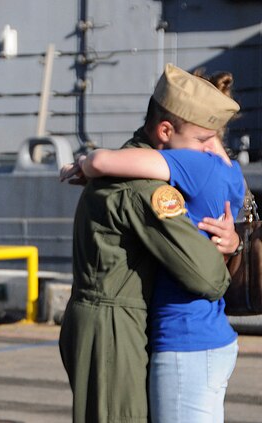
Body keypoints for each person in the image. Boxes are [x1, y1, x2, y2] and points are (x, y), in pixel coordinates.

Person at [56, 63, 239, 423]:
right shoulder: (146, 188)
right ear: (166, 130)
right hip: (113, 327)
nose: (209, 153)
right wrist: (228, 249)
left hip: (110, 317)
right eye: (203, 142)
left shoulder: (129, 164)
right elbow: (209, 279)